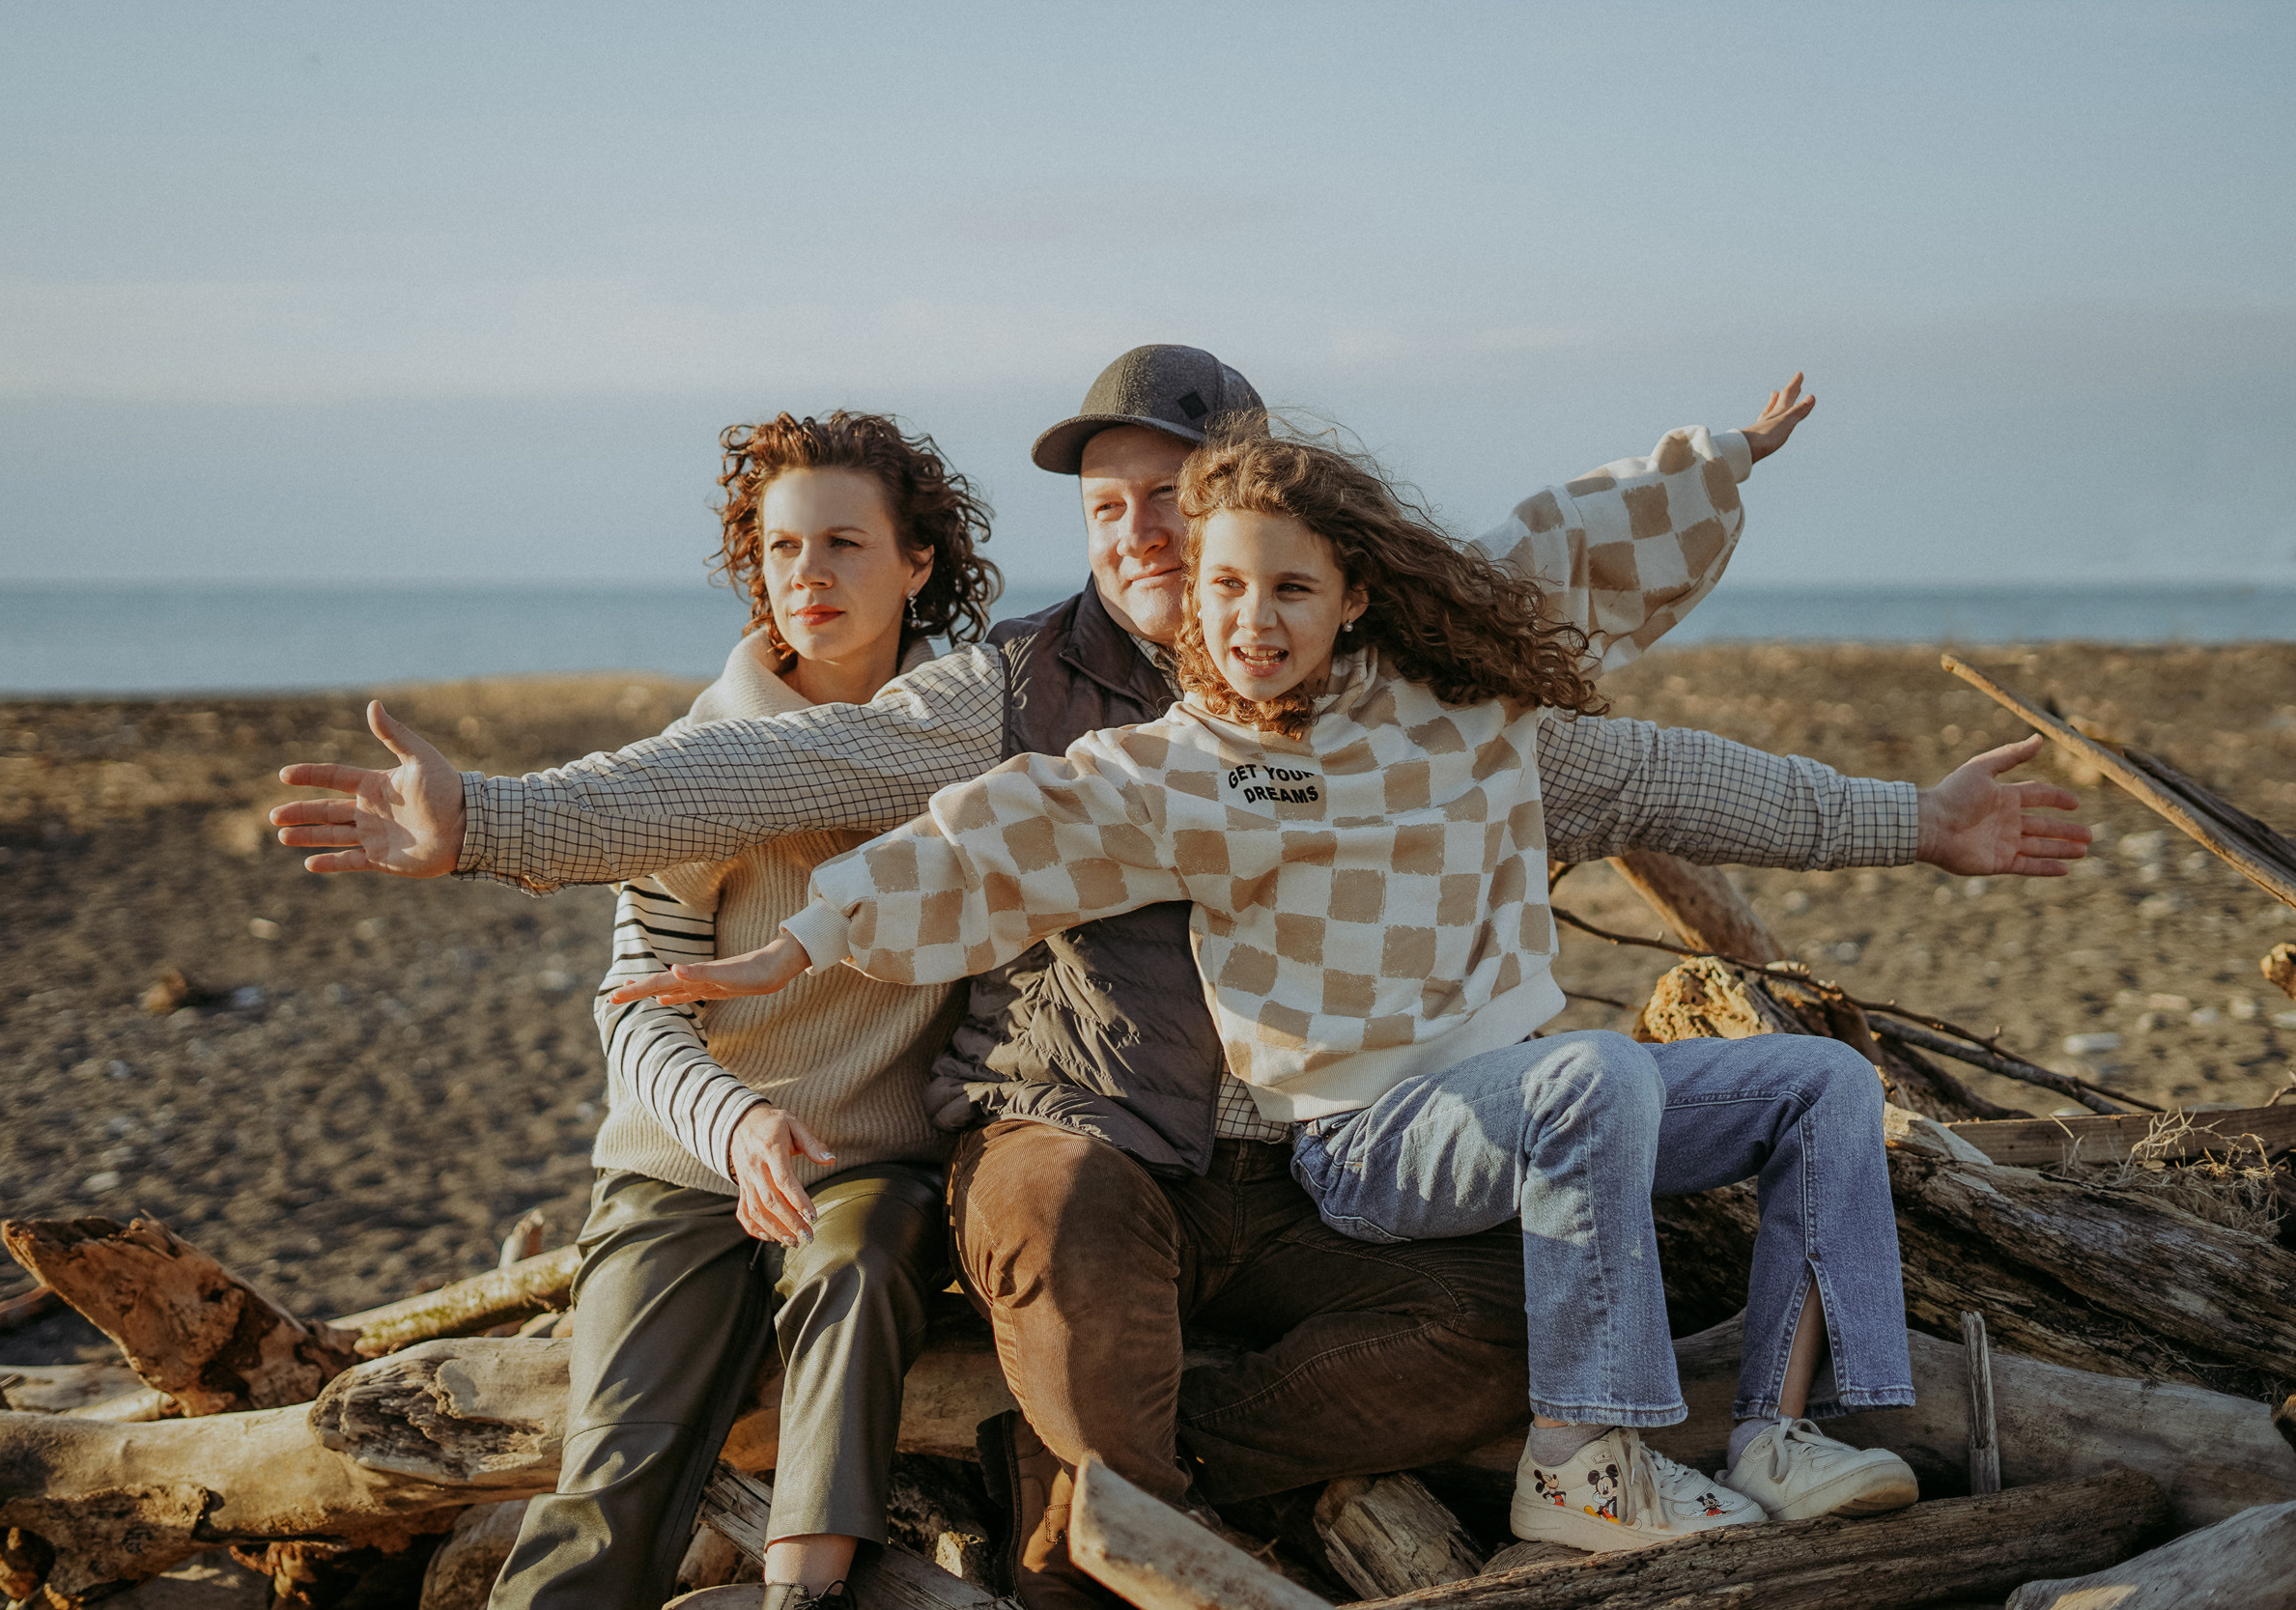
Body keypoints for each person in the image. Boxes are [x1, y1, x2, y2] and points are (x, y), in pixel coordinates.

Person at [271, 348, 2084, 1605]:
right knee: (1064, 1225)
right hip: (1086, 1125)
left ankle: (1150, 1474)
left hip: (1327, 1146)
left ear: (1266, 516)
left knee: (1499, 1323)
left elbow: (1652, 764)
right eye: (1107, 506)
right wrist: (493, 816)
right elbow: (786, 774)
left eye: (1170, 497)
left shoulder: (1403, 705)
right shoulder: (1016, 692)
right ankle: (1098, 1532)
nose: (1138, 532)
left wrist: (1911, 818)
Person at [619, 420, 2018, 1550]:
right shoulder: (1194, 762)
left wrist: (1911, 804)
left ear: (1354, 593)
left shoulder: (1467, 719)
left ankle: (1782, 1426)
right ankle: (1584, 1461)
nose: (1251, 620)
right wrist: (806, 936)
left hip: (1498, 1106)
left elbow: (1591, 582)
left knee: (1819, 1080)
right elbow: (993, 838)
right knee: (1588, 1073)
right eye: (1224, 589)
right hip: (1366, 1136)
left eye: (1287, 589)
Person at [492, 411, 1000, 1610]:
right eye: (780, 547)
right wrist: (739, 1124)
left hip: (870, 1163)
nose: (806, 574)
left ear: (916, 562)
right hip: (685, 1162)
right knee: (610, 1491)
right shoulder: (704, 755)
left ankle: (800, 1599)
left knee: (860, 1261)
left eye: (843, 543)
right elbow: (635, 1005)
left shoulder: (970, 741)